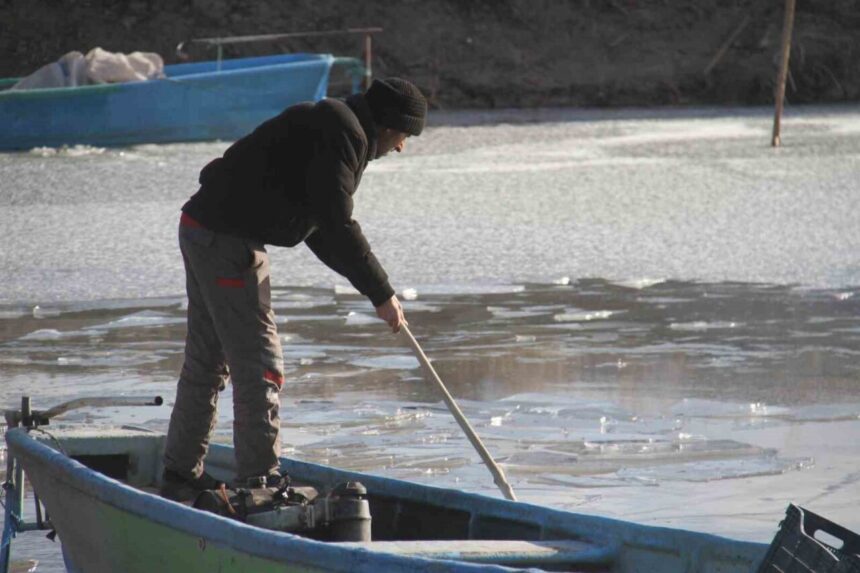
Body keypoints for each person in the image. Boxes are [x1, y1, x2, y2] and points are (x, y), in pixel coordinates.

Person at [160, 78, 428, 501]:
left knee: (208, 360)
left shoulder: (336, 127)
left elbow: (319, 227)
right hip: (227, 239)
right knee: (260, 364)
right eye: (404, 135)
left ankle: (179, 473)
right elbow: (338, 225)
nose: (401, 147)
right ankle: (259, 482)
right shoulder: (343, 132)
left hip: (204, 228)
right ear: (389, 124)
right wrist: (381, 292)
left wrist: (373, 291)